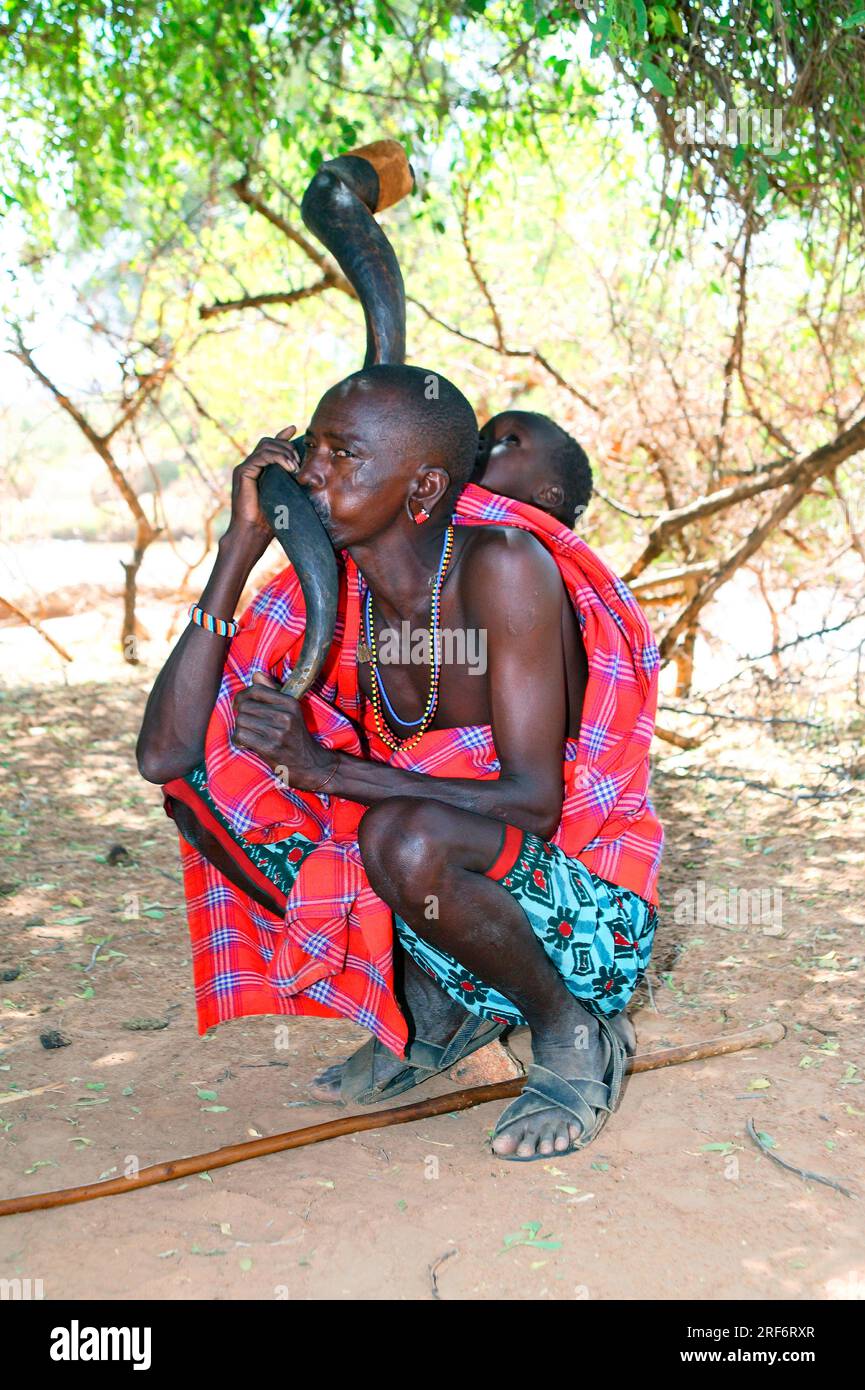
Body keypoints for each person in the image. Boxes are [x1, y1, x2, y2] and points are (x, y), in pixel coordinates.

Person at [137, 364, 662, 1161]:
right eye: (312, 446)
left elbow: (530, 806)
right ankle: (433, 1008)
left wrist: (328, 770)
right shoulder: (330, 591)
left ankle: (570, 1032)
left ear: (421, 490)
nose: (308, 470)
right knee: (205, 792)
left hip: (580, 924)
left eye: (342, 455)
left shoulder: (503, 567)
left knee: (403, 835)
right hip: (449, 909)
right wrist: (238, 546)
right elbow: (164, 755)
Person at [475, 410, 592, 527]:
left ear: (549, 495)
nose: (476, 441)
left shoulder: (511, 541)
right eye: (481, 435)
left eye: (511, 439)